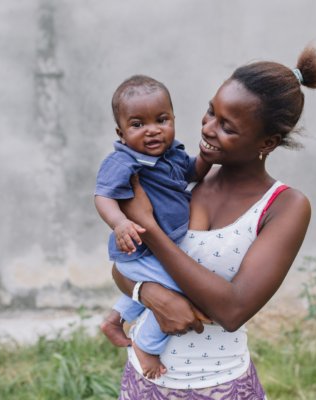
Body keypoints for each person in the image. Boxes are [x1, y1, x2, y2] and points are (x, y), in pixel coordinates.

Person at [111, 45, 316, 399]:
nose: (208, 129)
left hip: (221, 387)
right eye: (210, 112)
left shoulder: (284, 207)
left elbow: (232, 309)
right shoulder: (180, 175)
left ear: (267, 142)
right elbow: (123, 266)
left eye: (227, 126)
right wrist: (148, 293)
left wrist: (150, 228)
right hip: (143, 383)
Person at [94, 75, 212, 380]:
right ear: (121, 133)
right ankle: (145, 345)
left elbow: (194, 172)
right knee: (179, 290)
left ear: (173, 120)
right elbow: (103, 196)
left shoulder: (172, 154)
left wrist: (209, 158)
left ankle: (116, 317)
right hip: (139, 252)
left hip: (158, 252)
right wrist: (120, 222)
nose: (152, 130)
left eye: (161, 119)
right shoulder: (124, 162)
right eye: (137, 124)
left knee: (162, 285)